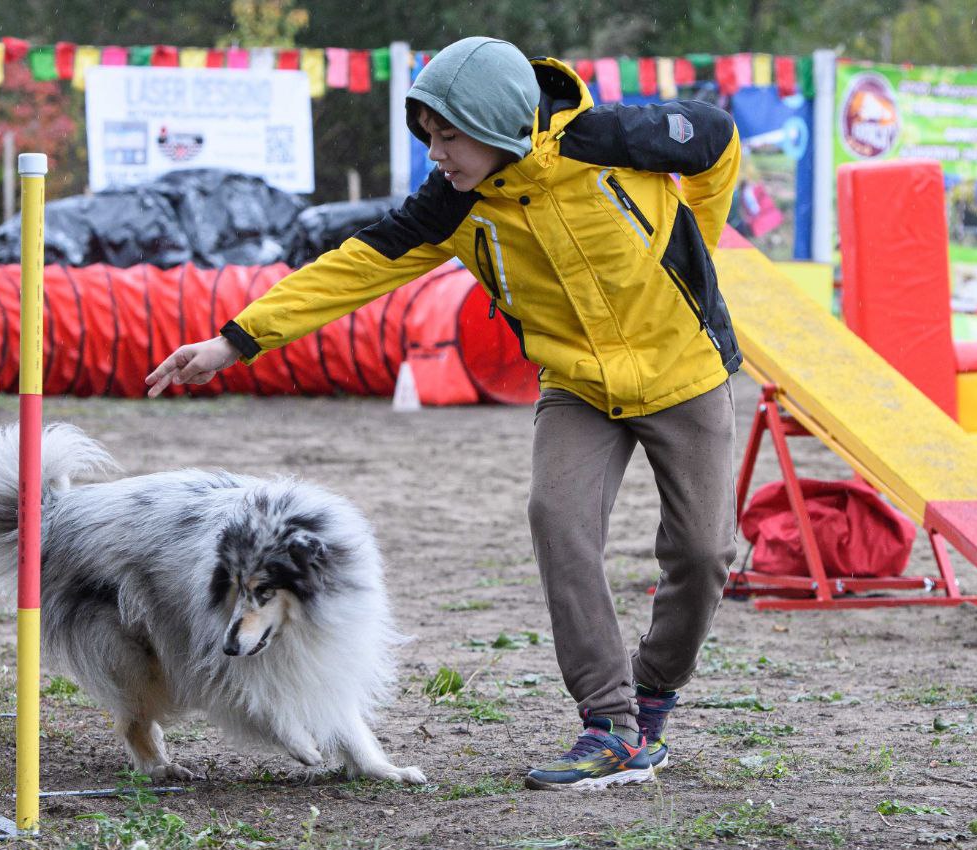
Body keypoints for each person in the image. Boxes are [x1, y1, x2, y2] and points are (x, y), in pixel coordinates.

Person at [146, 36, 742, 791]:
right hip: (577, 385)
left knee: (702, 552)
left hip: (685, 368)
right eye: (428, 136)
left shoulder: (612, 141)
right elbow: (353, 267)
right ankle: (610, 724)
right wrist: (235, 341)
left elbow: (716, 144)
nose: (436, 155)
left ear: (496, 124)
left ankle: (653, 689)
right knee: (557, 521)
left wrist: (700, 252)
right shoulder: (454, 205)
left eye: (449, 136)